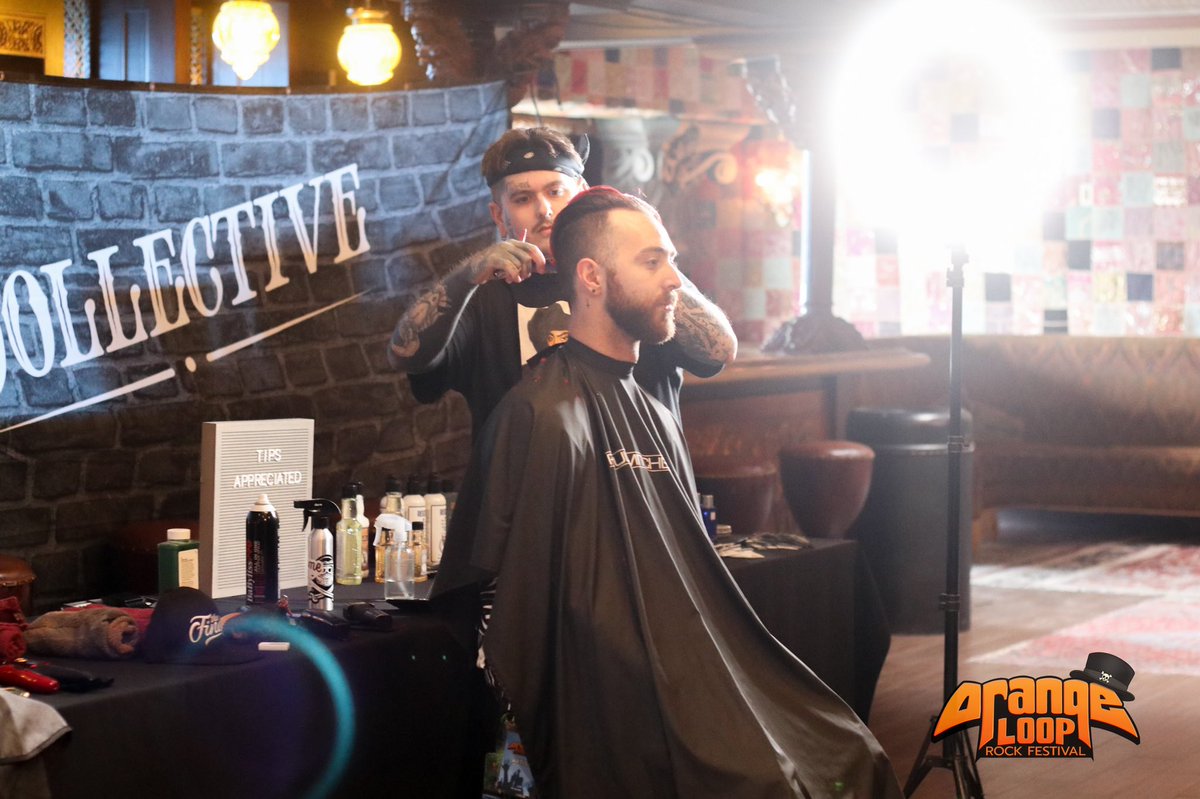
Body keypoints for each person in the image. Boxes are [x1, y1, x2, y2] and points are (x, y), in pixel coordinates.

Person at [434, 187, 903, 798]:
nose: (676, 279)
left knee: (850, 752)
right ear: (591, 277)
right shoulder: (540, 415)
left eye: (672, 260)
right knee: (765, 782)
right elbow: (504, 607)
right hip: (611, 698)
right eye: (652, 262)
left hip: (688, 673)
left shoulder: (655, 410)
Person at [387, 126, 736, 437]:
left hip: (638, 481)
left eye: (556, 191)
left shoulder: (634, 279)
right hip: (528, 484)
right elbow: (405, 355)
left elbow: (719, 349)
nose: (545, 210)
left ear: (582, 193)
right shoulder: (480, 298)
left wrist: (645, 252)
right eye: (523, 199)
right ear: (499, 216)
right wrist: (466, 276)